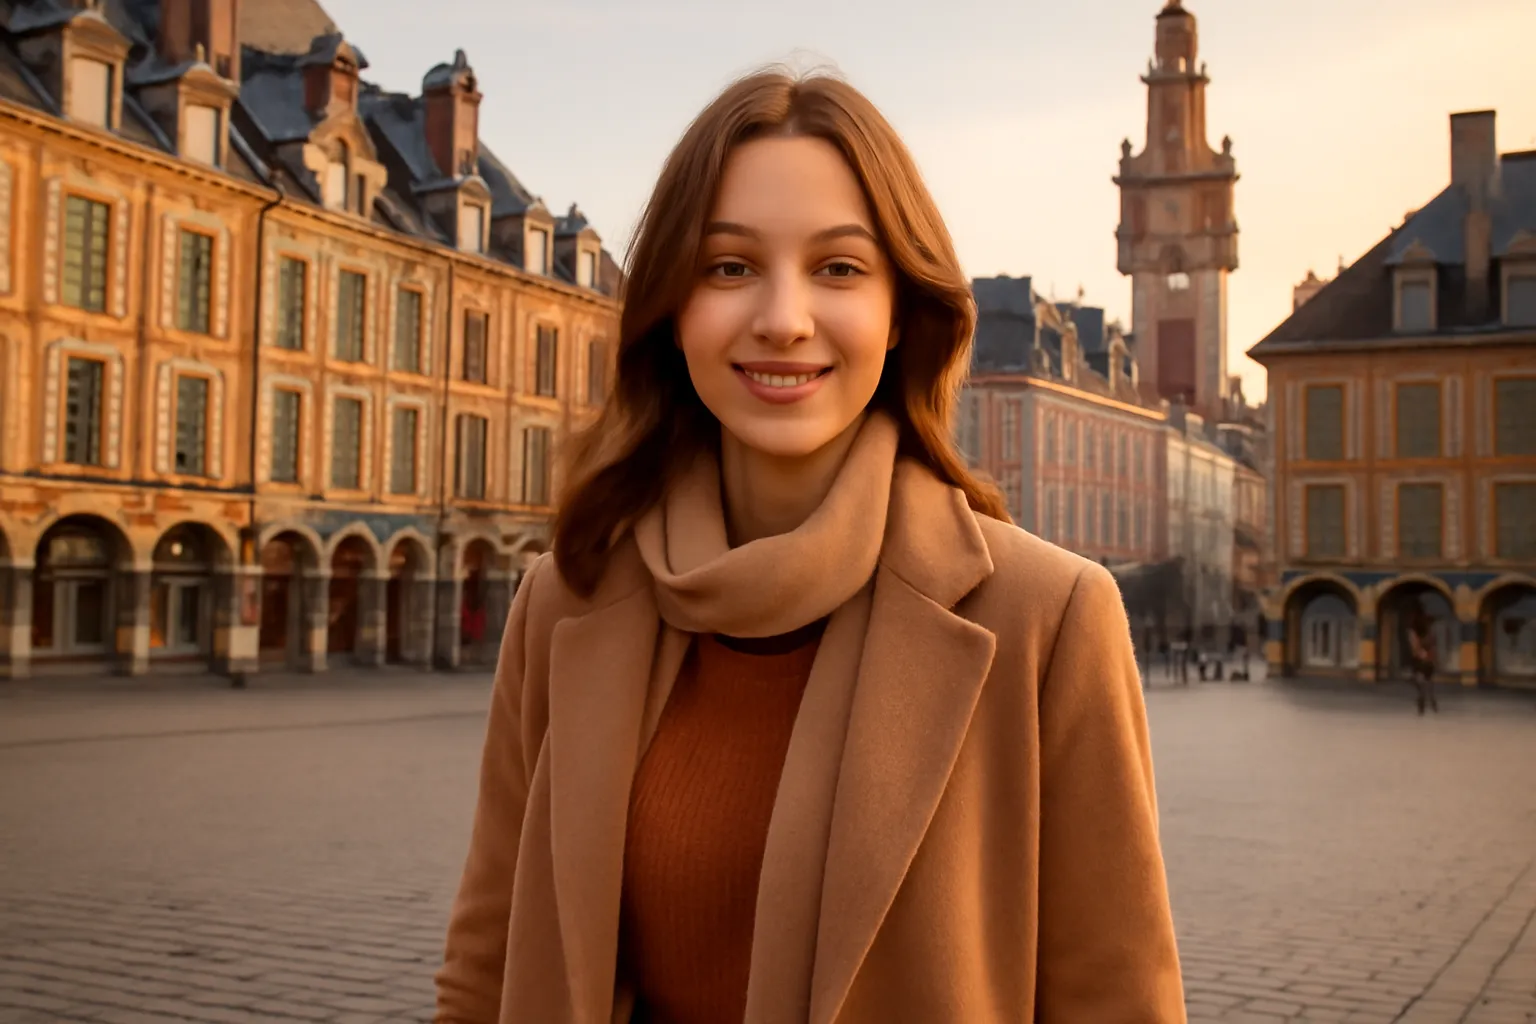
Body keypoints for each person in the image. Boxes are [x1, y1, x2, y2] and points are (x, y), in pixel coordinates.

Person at [434, 68, 1185, 1023]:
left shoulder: (1049, 619)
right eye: (729, 267)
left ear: (903, 313)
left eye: (838, 269)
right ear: (671, 308)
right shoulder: (566, 601)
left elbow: (1118, 1002)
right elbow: (485, 973)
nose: (783, 319)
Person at [1407, 610, 1440, 715]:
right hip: (1424, 660)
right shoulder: (1423, 633)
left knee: (1423, 682)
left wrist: (1423, 653)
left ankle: (1425, 702)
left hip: (1423, 661)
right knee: (1426, 682)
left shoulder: (1420, 634)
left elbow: (1417, 647)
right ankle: (1429, 702)